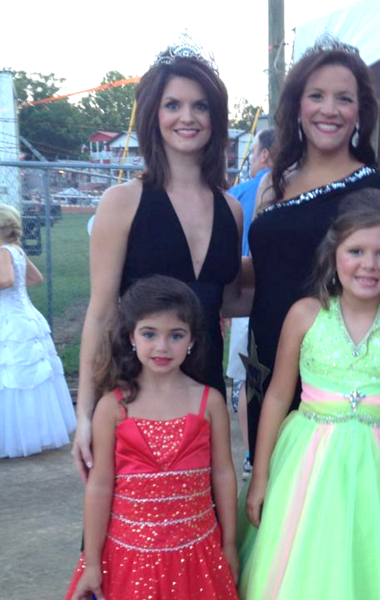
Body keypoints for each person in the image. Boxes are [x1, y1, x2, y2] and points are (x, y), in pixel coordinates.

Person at [238, 191, 380, 600]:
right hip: (308, 465)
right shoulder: (304, 315)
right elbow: (277, 397)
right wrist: (260, 476)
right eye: (356, 251)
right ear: (334, 253)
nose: (369, 264)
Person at [246, 35, 380, 461]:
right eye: (316, 95)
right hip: (269, 370)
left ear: (360, 113)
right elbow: (266, 269)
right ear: (298, 105)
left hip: (347, 382)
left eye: (343, 98)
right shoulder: (273, 184)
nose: (329, 109)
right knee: (278, 501)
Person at [72, 36, 244, 479]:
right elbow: (100, 313)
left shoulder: (232, 209)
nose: (187, 117)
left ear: (215, 118)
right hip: (135, 392)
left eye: (200, 106)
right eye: (173, 105)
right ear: (154, 114)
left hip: (204, 390)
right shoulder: (121, 202)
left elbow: (225, 299)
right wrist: (85, 413)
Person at [64, 275, 239, 600]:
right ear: (131, 336)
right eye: (149, 334)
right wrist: (91, 560)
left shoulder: (209, 401)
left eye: (176, 335)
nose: (162, 346)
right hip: (128, 559)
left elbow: (224, 474)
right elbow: (100, 484)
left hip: (198, 557)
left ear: (192, 340)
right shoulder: (112, 407)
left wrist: (228, 544)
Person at [0, 204, 76, 458]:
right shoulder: (16, 250)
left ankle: (15, 435)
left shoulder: (2, 251)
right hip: (25, 313)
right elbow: (35, 278)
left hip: (10, 318)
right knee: (25, 375)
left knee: (14, 376)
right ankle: (31, 431)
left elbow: (6, 281)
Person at [227, 127, 275, 479]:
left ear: (265, 155)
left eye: (255, 150)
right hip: (272, 299)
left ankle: (250, 452)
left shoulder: (237, 194)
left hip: (243, 299)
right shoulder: (295, 188)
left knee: (250, 382)